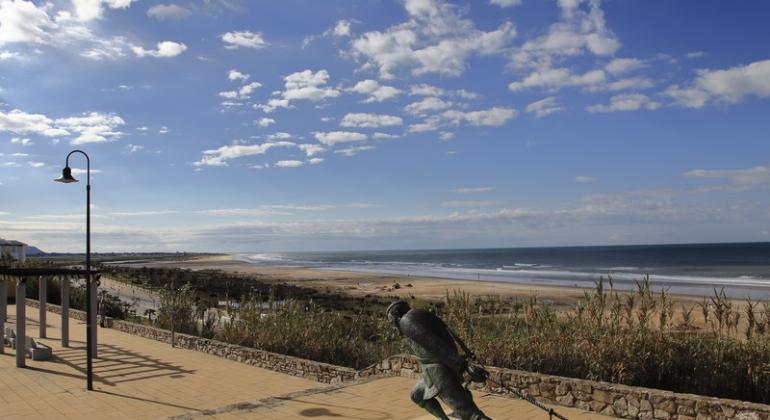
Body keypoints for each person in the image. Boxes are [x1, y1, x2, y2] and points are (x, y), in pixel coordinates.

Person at [386, 300, 491, 420]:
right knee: (417, 394)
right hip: (434, 370)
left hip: (439, 371)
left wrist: (459, 363)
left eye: (391, 321)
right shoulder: (421, 313)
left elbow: (434, 344)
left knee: (472, 415)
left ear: (397, 316)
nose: (393, 326)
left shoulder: (406, 321)